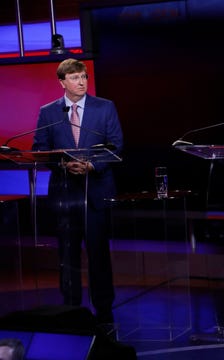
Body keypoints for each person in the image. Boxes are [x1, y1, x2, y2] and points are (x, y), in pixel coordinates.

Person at [32, 58, 124, 325]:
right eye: (74, 78)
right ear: (62, 82)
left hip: (95, 195)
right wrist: (62, 163)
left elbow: (116, 147)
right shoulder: (49, 112)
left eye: (83, 76)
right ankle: (70, 311)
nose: (82, 81)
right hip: (64, 197)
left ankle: (105, 314)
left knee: (99, 257)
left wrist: (92, 165)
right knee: (67, 258)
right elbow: (40, 149)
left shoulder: (104, 107)